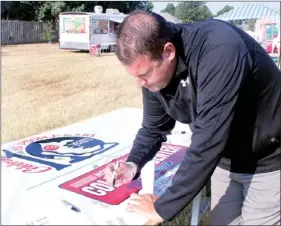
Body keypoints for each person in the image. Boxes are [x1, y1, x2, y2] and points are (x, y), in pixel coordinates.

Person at [104, 11, 281, 225]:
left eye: (144, 75)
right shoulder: (155, 74)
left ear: (168, 51)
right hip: (225, 159)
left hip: (269, 157)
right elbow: (153, 128)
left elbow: (209, 138)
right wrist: (133, 164)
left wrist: (162, 207)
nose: (140, 84)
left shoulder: (220, 48)